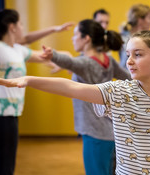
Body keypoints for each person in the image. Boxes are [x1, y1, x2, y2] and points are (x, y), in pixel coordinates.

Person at [0, 30, 150, 175]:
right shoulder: (119, 92)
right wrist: (29, 80)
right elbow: (71, 87)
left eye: (138, 54)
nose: (129, 61)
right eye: (128, 55)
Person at [40, 20, 130, 175]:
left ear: (86, 38)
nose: (72, 38)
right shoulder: (107, 60)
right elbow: (128, 76)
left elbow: (70, 62)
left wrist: (53, 55)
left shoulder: (85, 63)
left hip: (95, 134)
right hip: (111, 132)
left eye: (75, 34)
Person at [0, 9, 59, 175]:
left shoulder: (18, 49)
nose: (22, 27)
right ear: (12, 27)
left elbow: (44, 57)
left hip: (11, 113)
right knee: (0, 166)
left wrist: (57, 59)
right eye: (21, 24)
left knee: (8, 166)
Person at [119, 4, 150, 69]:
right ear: (140, 20)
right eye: (149, 18)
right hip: (129, 76)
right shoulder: (125, 39)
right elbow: (124, 65)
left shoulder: (147, 39)